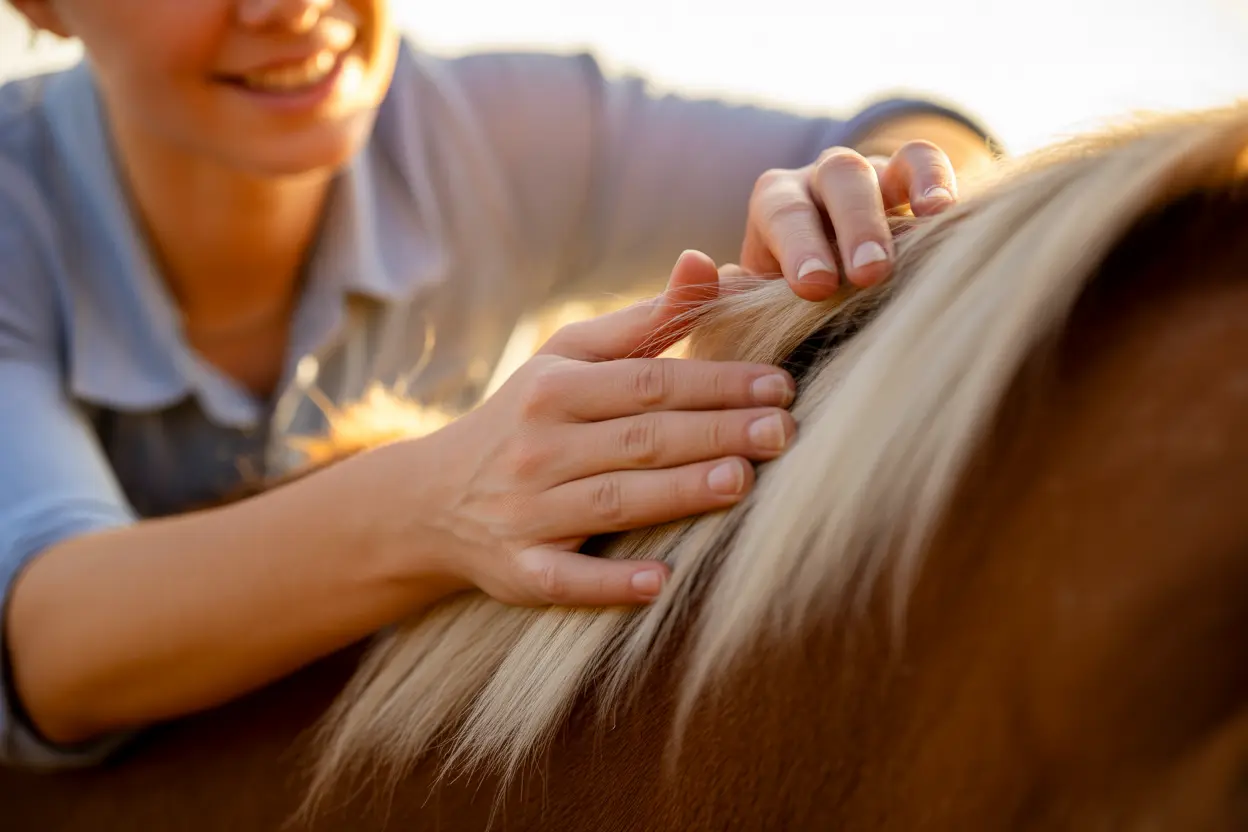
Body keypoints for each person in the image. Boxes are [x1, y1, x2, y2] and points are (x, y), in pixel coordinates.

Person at [0, 0, 997, 770]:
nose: (289, 7)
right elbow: (47, 644)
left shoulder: (494, 128)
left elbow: (905, 132)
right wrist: (432, 500)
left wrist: (871, 192)